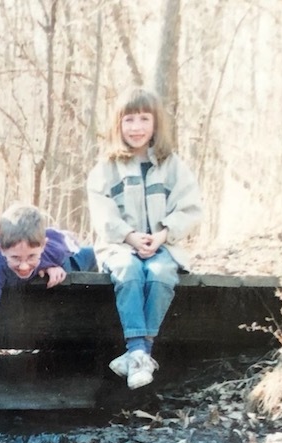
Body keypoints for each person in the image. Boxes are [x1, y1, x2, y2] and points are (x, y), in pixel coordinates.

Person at [86, 87, 203, 389]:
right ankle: (140, 350)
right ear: (118, 124)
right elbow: (102, 214)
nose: (136, 127)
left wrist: (163, 235)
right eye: (129, 120)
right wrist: (129, 236)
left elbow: (190, 209)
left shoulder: (171, 165)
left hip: (163, 244)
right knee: (129, 270)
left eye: (143, 119)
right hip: (119, 246)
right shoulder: (106, 167)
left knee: (161, 272)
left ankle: (138, 354)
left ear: (155, 123)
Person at [0, 203, 96, 416]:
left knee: (82, 260)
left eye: (32, 257)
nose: (24, 265)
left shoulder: (54, 247)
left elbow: (82, 250)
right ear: (3, 250)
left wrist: (52, 265)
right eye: (16, 258)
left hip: (61, 251)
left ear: (43, 246)